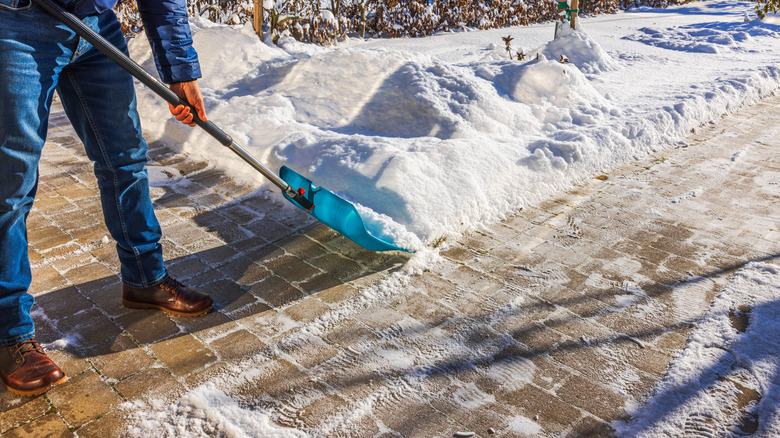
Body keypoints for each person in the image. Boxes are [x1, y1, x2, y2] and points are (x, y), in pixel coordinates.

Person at [0, 0, 214, 396]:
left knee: (126, 157)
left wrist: (179, 68)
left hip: (95, 23)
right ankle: (8, 332)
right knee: (9, 186)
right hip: (16, 24)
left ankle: (145, 278)